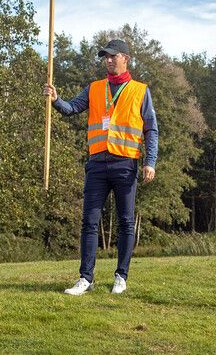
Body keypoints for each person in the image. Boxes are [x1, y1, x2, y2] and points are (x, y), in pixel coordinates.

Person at [43, 39, 158, 295]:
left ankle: (121, 277)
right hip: (96, 163)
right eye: (105, 56)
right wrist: (56, 99)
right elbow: (72, 108)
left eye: (112, 56)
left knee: (126, 222)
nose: (107, 60)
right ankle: (85, 278)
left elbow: (152, 129)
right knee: (89, 222)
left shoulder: (140, 91)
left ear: (125, 58)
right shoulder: (95, 88)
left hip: (125, 164)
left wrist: (150, 162)